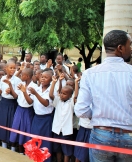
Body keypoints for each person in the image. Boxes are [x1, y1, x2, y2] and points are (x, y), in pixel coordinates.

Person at [74, 30, 132, 161]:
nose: (131, 48)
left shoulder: (89, 74)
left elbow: (80, 109)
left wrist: (99, 117)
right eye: (130, 44)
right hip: (128, 137)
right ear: (120, 48)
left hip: (101, 135)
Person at [0, 61, 21, 150]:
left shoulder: (17, 80)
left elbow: (16, 96)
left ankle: (13, 148)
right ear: (6, 68)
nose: (13, 70)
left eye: (14, 68)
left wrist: (11, 89)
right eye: (11, 68)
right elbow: (1, 92)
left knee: (11, 125)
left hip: (12, 104)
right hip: (3, 103)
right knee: (3, 124)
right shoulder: (2, 78)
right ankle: (4, 146)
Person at [10, 68, 36, 154]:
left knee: (25, 131)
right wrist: (10, 90)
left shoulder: (34, 87)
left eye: (22, 75)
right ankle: (19, 150)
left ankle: (26, 152)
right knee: (16, 128)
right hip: (19, 109)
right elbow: (15, 96)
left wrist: (24, 92)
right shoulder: (21, 84)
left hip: (27, 111)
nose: (21, 76)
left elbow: (30, 102)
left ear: (27, 76)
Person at [29, 71, 54, 162]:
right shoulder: (37, 88)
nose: (43, 78)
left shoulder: (51, 90)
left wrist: (35, 93)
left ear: (51, 79)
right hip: (37, 118)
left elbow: (46, 103)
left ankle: (45, 159)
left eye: (46, 77)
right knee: (35, 140)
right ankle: (36, 158)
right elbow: (30, 101)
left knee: (45, 141)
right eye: (42, 76)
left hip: (46, 119)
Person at [50, 76, 75, 162]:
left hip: (66, 131)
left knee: (66, 151)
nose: (61, 95)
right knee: (57, 149)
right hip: (57, 129)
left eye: (64, 94)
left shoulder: (71, 103)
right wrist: (54, 82)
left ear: (70, 95)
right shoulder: (58, 101)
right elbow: (51, 95)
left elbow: (75, 96)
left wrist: (76, 83)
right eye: (61, 93)